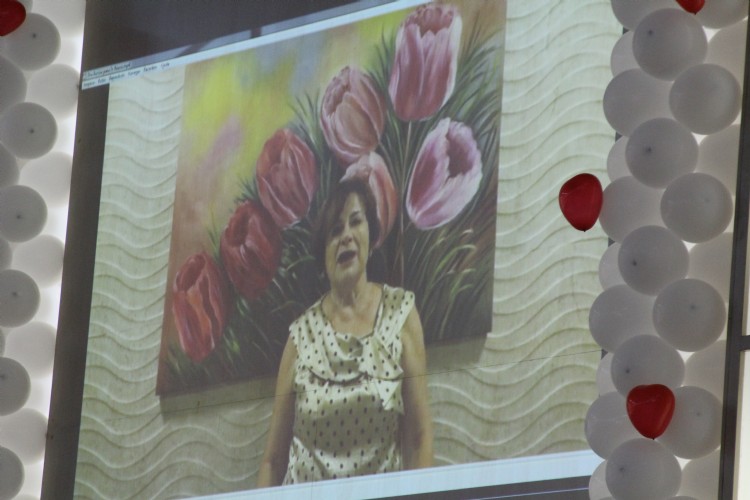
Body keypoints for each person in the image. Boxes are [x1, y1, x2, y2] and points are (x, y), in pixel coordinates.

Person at [257, 178, 433, 487]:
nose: (346, 236)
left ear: (371, 235)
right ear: (323, 255)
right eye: (335, 231)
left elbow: (420, 439)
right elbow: (273, 461)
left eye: (355, 222)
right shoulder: (300, 336)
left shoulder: (401, 313)